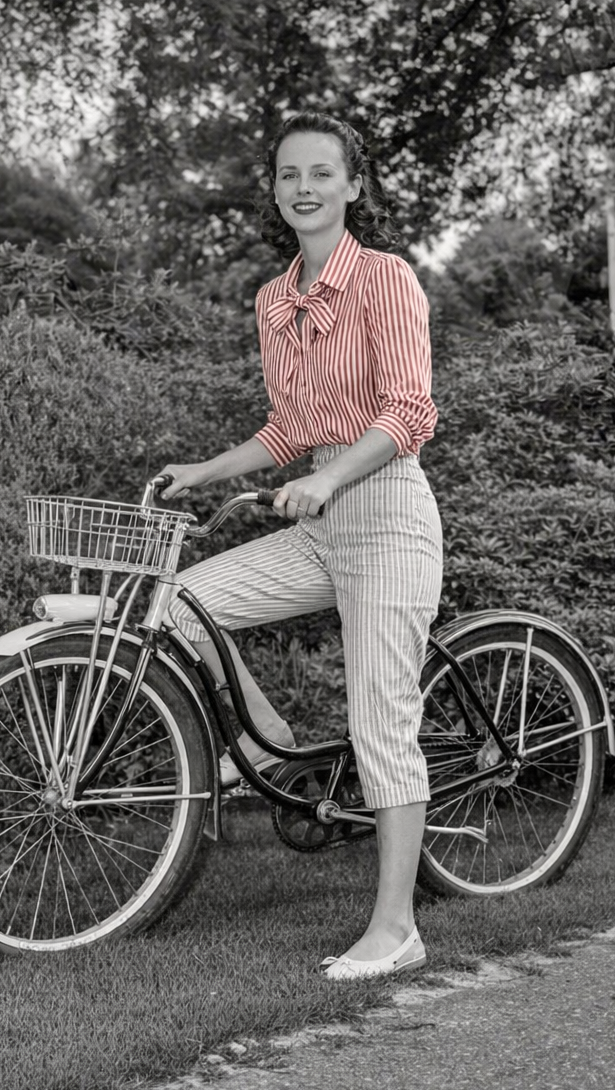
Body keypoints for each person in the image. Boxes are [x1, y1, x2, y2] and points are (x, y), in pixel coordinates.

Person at [157, 110, 443, 981]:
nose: (305, 188)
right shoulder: (275, 300)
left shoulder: (386, 279)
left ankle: (396, 930)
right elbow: (288, 430)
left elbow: (410, 412)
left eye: (323, 173)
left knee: (379, 724)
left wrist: (331, 476)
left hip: (388, 513)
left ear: (354, 186)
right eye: (289, 175)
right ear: (275, 190)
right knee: (180, 606)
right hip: (320, 525)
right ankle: (264, 750)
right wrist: (201, 471)